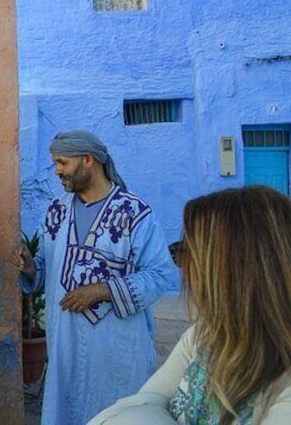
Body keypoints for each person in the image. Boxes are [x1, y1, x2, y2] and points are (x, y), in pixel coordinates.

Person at [89, 186, 291, 424]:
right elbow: (148, 399)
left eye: (187, 253)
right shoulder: (206, 337)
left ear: (237, 271)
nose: (184, 269)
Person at [11, 130, 176, 425]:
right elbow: (49, 271)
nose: (57, 171)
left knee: (120, 414)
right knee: (68, 410)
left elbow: (160, 274)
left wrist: (103, 290)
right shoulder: (56, 211)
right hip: (66, 345)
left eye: (62, 162)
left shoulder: (134, 213)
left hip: (117, 347)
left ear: (88, 160)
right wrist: (29, 268)